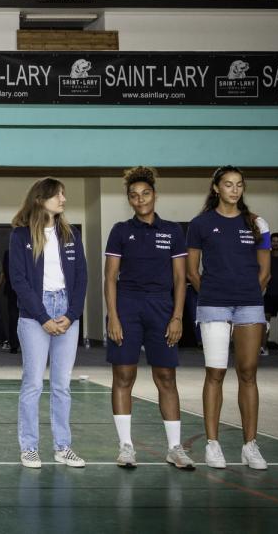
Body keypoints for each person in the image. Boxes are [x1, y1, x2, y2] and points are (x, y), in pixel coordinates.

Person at [104, 167, 194, 470]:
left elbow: (181, 279)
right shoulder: (120, 230)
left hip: (161, 308)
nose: (139, 199)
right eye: (133, 195)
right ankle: (126, 447)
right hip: (127, 307)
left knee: (167, 377)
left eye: (145, 193)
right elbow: (110, 278)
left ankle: (174, 448)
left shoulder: (172, 232)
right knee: (123, 376)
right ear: (128, 200)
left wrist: (177, 317)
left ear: (154, 195)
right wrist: (114, 317)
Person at [186, 166, 271, 470]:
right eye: (228, 185)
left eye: (239, 185)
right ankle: (213, 445)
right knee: (216, 374)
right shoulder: (200, 224)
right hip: (214, 306)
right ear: (216, 188)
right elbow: (192, 271)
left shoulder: (257, 223)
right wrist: (212, 292)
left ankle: (250, 446)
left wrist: (248, 292)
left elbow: (265, 271)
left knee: (248, 373)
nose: (234, 190)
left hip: (249, 305)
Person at [10, 177, 88, 469]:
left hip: (66, 310)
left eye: (64, 195)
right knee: (32, 383)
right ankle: (29, 447)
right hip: (34, 314)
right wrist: (43, 317)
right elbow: (18, 280)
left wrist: (72, 314)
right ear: (40, 199)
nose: (63, 200)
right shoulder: (21, 236)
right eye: (58, 195)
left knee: (61, 385)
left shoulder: (70, 234)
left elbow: (81, 277)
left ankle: (62, 446)